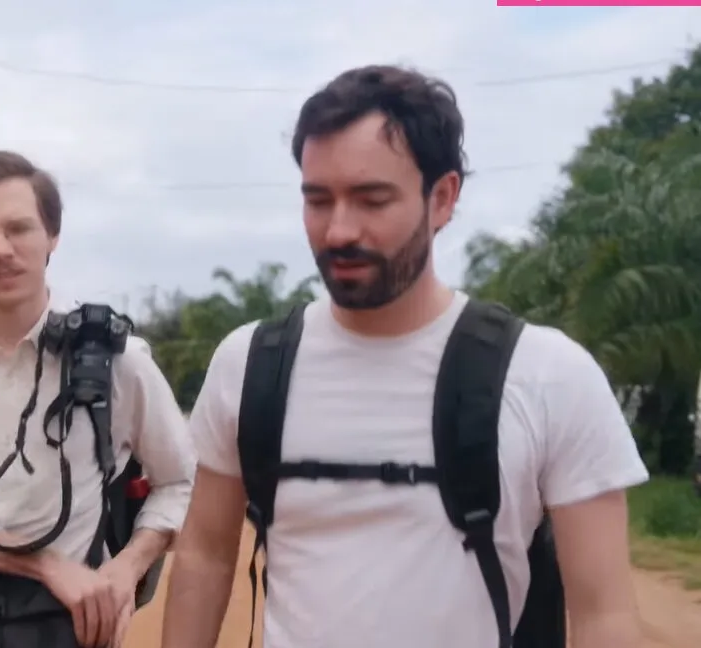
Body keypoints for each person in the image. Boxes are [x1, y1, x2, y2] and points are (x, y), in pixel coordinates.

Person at [160, 65, 649, 648]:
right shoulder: (249, 367)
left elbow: (604, 615)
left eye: (372, 200)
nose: (339, 230)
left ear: (442, 198)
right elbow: (205, 555)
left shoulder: (548, 377)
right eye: (318, 200)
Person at [0, 150, 197, 648]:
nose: (0, 249)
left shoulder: (119, 361)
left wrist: (126, 569)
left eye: (19, 228)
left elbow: (180, 481)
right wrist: (46, 566)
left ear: (52, 235)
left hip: (67, 626)